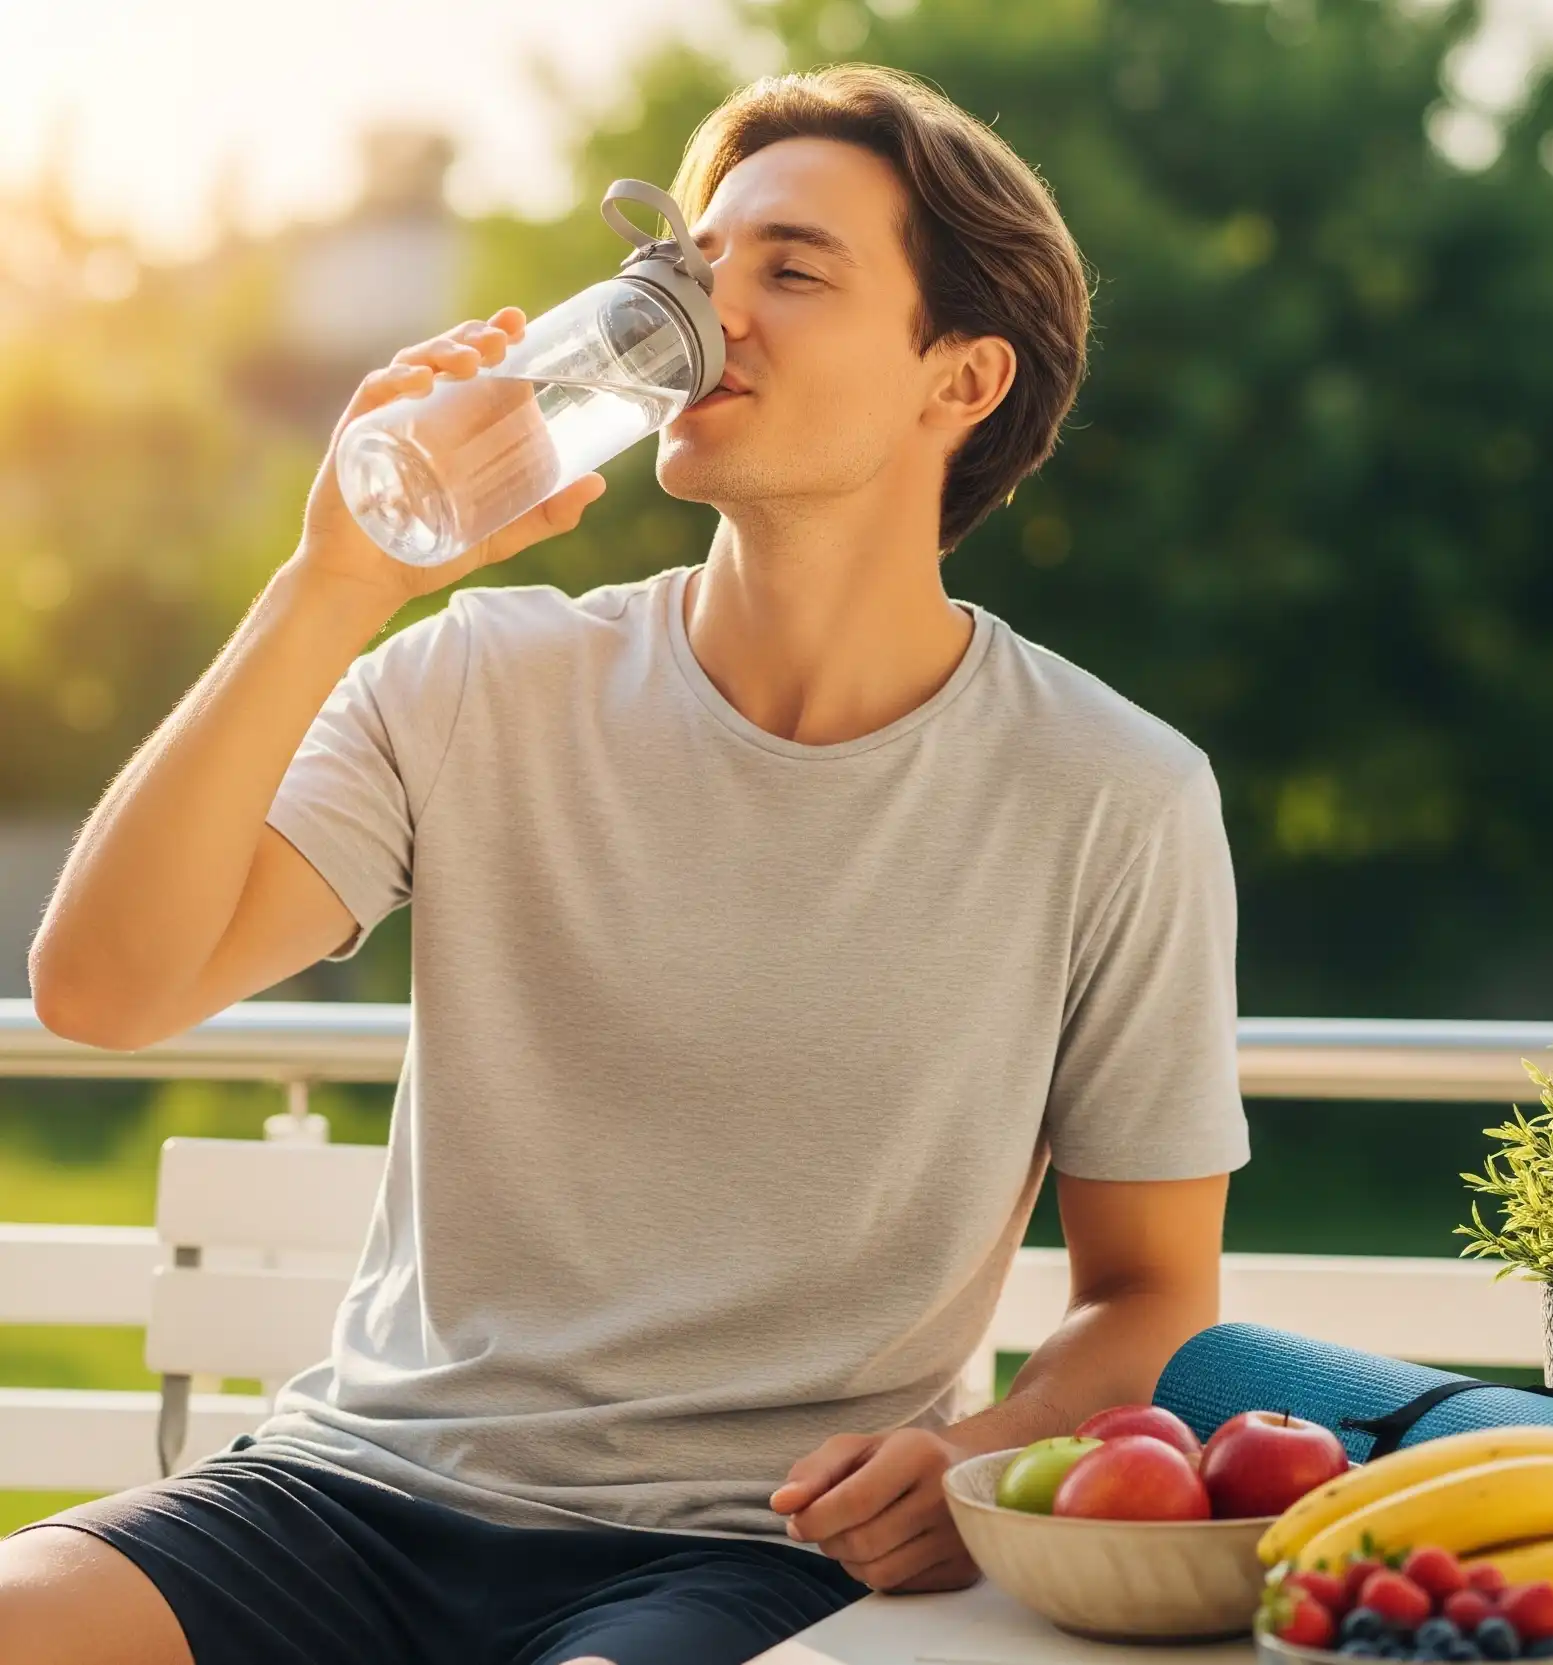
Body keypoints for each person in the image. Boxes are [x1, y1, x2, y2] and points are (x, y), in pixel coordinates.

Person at [6, 61, 1249, 1665]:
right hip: (349, 1494)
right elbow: (106, 993)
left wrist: (975, 1452)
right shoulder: (472, 678)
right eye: (693, 264)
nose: (708, 314)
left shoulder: (1111, 793)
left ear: (963, 379)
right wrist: (332, 584)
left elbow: (1147, 1292)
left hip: (741, 1550)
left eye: (791, 272)